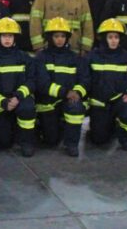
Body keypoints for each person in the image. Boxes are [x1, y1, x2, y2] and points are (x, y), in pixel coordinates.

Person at [83, 18, 127, 151]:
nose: (114, 40)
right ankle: (107, 126)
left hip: (120, 101)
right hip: (99, 103)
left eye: (116, 37)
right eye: (110, 37)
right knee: (99, 140)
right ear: (104, 38)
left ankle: (125, 137)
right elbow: (84, 80)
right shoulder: (91, 57)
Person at [34, 17, 88, 157]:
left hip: (69, 100)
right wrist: (65, 93)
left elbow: (84, 79)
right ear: (49, 37)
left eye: (63, 36)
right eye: (56, 36)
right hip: (48, 103)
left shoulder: (75, 58)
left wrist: (77, 92)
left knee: (76, 107)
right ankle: (46, 127)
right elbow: (42, 84)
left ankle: (72, 144)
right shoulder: (41, 57)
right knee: (51, 141)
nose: (59, 39)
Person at [0, 17, 37, 157]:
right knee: (2, 143)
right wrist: (2, 101)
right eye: (4, 36)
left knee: (27, 108)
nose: (7, 39)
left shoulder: (25, 58)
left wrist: (18, 96)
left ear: (15, 38)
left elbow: (32, 81)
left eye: (10, 36)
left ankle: (27, 142)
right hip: (1, 103)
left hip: (21, 99)